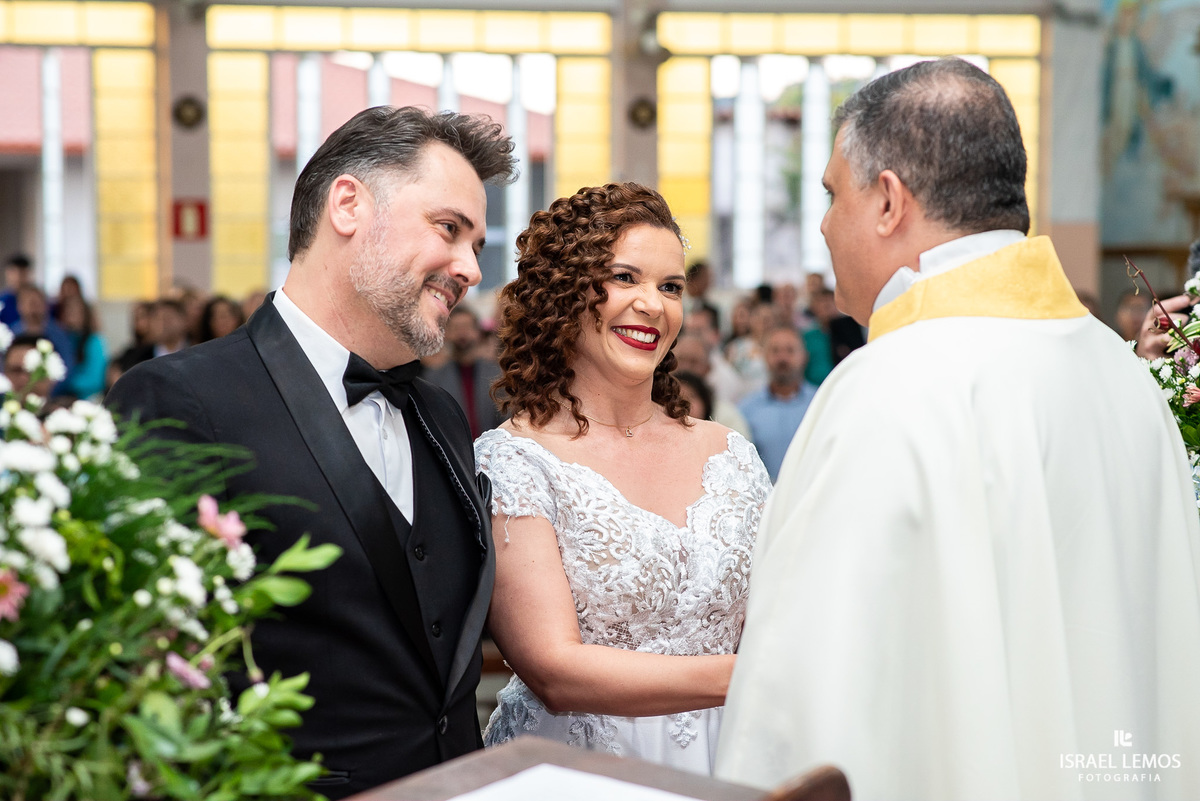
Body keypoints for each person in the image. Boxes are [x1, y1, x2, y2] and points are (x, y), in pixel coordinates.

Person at [716, 58, 1200, 800]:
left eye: (829, 194)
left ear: (887, 201)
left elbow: (805, 698)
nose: (820, 223)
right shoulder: (1123, 377)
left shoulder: (890, 388)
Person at [107, 106, 516, 798]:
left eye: (477, 244)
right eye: (449, 229)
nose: (470, 268)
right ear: (348, 205)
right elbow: (142, 669)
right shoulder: (179, 399)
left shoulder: (441, 414)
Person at [477, 182, 770, 775]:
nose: (652, 305)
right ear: (563, 293)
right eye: (624, 278)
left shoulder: (730, 453)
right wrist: (757, 676)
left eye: (670, 287)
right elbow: (554, 670)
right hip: (578, 770)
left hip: (734, 759)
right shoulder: (516, 462)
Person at [737, 325, 817, 482]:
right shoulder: (746, 410)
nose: (782, 358)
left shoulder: (821, 403)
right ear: (764, 357)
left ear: (804, 357)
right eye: (775, 351)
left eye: (790, 350)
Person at [423, 305, 504, 438]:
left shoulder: (498, 374)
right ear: (446, 334)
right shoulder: (432, 379)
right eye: (456, 328)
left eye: (467, 327)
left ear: (478, 332)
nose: (462, 333)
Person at [54, 294, 107, 399]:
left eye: (74, 312)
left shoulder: (95, 341)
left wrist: (65, 382)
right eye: (67, 311)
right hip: (62, 397)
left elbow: (96, 380)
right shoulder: (63, 340)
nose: (70, 316)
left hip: (89, 399)